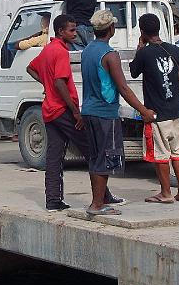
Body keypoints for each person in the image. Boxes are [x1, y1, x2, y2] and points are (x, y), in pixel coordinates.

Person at [26, 14, 124, 212]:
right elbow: (60, 81)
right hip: (63, 109)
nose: (75, 33)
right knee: (93, 151)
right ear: (60, 31)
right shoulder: (61, 52)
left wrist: (47, 84)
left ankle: (53, 200)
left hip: (50, 109)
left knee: (54, 156)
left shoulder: (48, 49)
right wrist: (75, 111)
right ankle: (102, 198)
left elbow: (31, 68)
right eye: (71, 30)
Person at [81, 10, 156, 216]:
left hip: (88, 110)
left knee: (96, 157)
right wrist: (143, 111)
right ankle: (97, 204)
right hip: (105, 112)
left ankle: (101, 198)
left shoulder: (87, 50)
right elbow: (123, 88)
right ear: (111, 29)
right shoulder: (110, 55)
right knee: (105, 157)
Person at [129, 13, 179, 204]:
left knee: (161, 154)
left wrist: (140, 46)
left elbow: (133, 72)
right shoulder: (174, 50)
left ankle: (165, 193)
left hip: (156, 113)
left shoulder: (144, 53)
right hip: (175, 111)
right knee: (178, 151)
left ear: (142, 31)